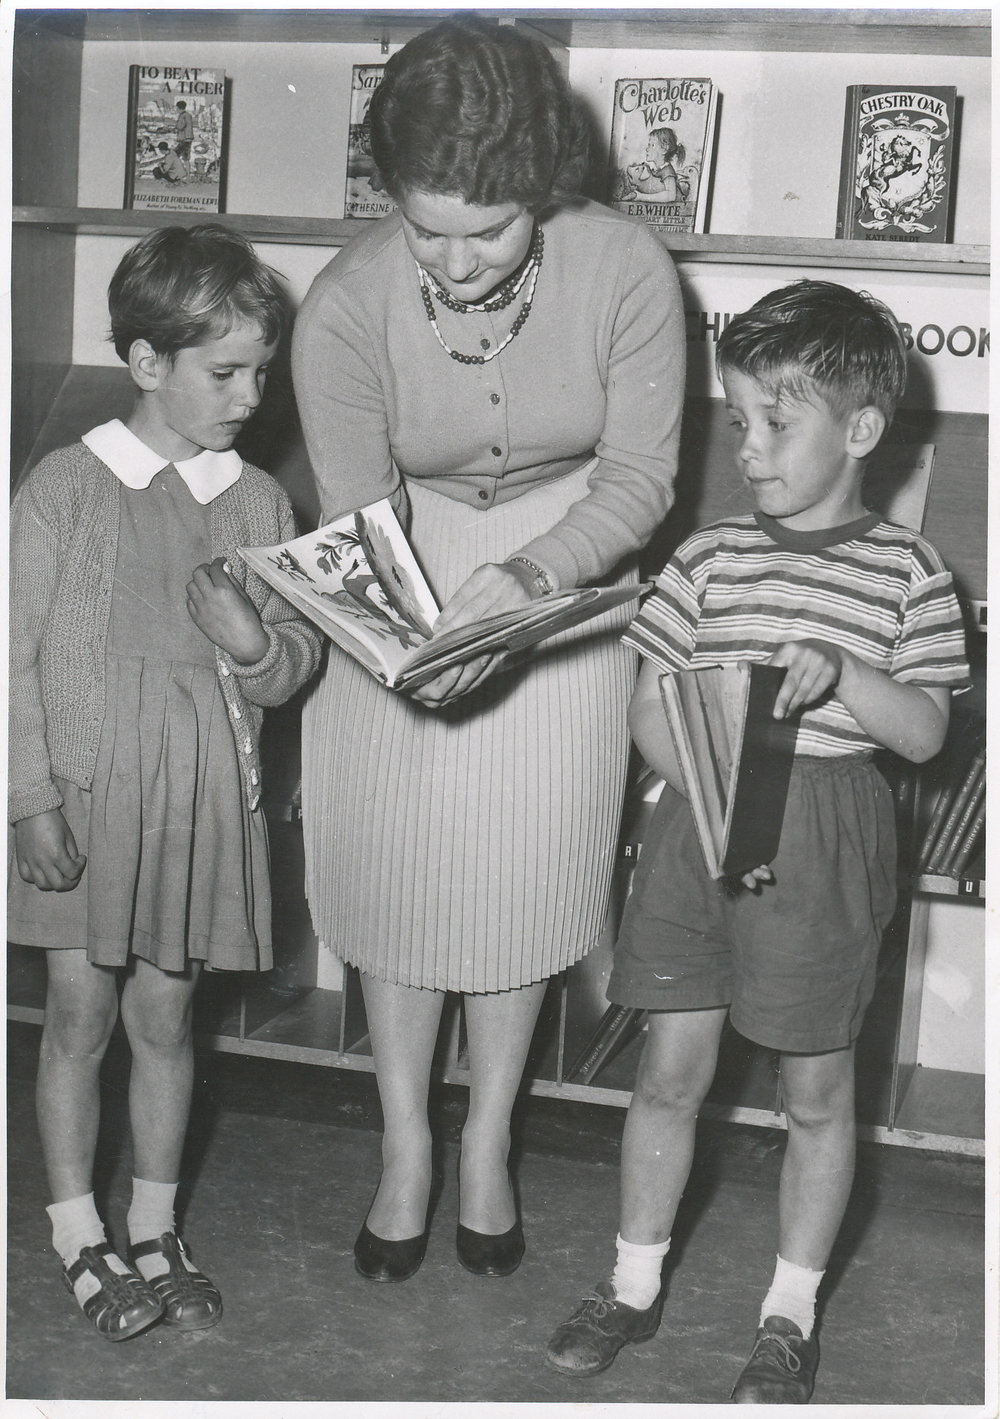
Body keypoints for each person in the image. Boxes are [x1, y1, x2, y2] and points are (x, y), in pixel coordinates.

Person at [291, 16, 685, 1283]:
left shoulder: (626, 268)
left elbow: (638, 478)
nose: (457, 266)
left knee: (522, 880)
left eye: (492, 231)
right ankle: (406, 1141)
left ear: (544, 187)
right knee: (402, 879)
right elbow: (359, 523)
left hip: (567, 573)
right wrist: (416, 639)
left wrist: (528, 580)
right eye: (427, 232)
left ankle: (489, 1139)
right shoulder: (343, 308)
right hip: (404, 565)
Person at [545, 280, 970, 1400]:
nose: (749, 447)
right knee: (666, 1074)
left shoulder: (911, 573)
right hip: (699, 825)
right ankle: (631, 1284)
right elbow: (650, 705)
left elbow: (925, 733)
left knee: (817, 1092)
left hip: (826, 836)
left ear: (862, 429)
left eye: (778, 422)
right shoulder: (705, 557)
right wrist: (715, 794)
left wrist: (851, 671)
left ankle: (788, 1315)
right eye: (739, 420)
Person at [8, 224, 322, 1341]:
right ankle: (74, 1228)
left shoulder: (261, 505)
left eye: (261, 372)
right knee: (78, 1016)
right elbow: (11, 655)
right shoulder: (64, 486)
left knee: (165, 1017)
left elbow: (292, 669)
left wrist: (253, 642)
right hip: (85, 798)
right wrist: (29, 798)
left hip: (197, 804)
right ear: (147, 362)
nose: (250, 396)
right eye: (225, 372)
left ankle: (153, 1225)